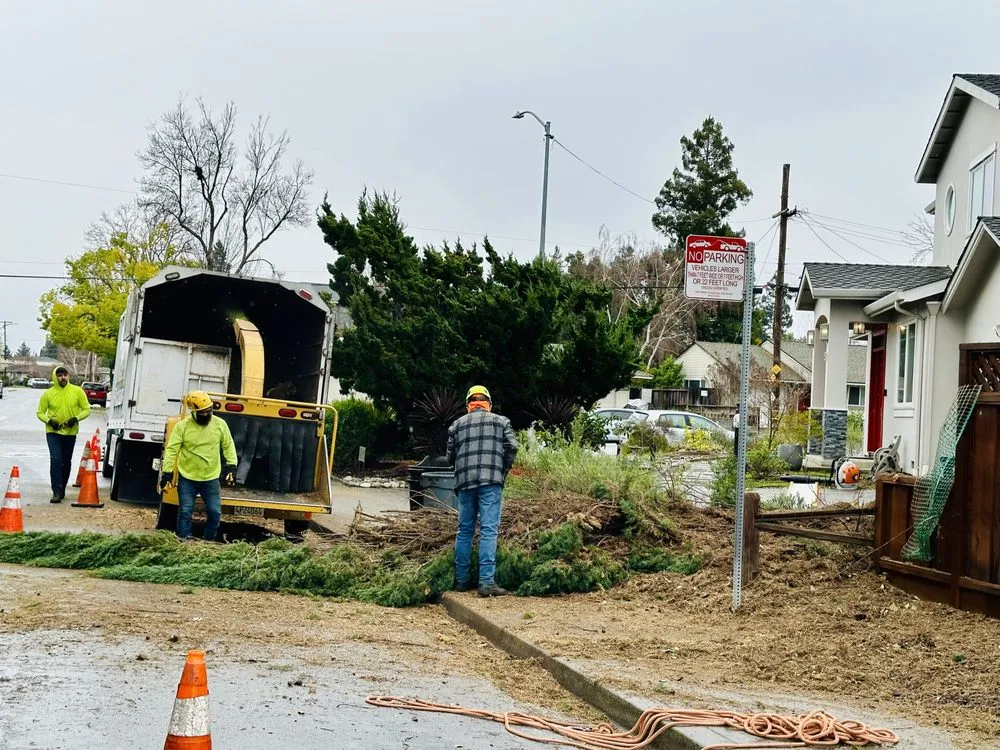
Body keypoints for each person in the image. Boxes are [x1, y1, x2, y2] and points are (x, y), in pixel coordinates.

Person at [446, 385, 519, 598]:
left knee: (465, 531)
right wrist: (502, 471)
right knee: (488, 530)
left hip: (465, 484)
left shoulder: (456, 425)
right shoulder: (501, 421)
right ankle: (486, 583)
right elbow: (512, 447)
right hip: (491, 482)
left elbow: (450, 456)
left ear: (469, 405)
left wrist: (461, 471)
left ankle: (461, 581)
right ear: (489, 404)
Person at [160, 391, 238, 542]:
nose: (206, 414)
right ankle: (183, 540)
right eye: (202, 412)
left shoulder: (220, 425)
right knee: (185, 511)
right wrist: (167, 473)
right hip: (188, 477)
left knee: (215, 512)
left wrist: (231, 466)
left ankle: (209, 540)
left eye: (209, 411)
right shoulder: (182, 427)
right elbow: (172, 450)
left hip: (211, 478)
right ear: (194, 412)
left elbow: (228, 446)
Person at [36, 366, 91, 502]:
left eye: (65, 375)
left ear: (68, 376)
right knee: (56, 460)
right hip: (53, 432)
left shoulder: (77, 391)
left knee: (66, 462)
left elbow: (86, 409)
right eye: (59, 375)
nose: (63, 378)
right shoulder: (48, 394)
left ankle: (62, 488)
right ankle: (56, 491)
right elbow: (40, 413)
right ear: (55, 377)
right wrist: (49, 421)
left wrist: (75, 418)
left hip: (70, 432)